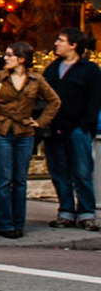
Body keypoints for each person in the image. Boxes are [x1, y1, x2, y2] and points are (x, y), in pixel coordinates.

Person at [0, 41, 61, 239]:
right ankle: (4, 224)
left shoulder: (35, 80)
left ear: (21, 59)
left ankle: (18, 223)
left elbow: (54, 101)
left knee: (20, 180)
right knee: (5, 178)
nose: (5, 58)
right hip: (1, 130)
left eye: (9, 55)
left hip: (25, 132)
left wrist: (40, 122)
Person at [44, 28, 101, 231]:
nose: (56, 43)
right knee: (59, 172)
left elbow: (95, 100)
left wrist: (86, 125)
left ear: (74, 45)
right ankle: (66, 211)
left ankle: (86, 213)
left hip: (78, 129)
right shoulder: (52, 69)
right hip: (54, 129)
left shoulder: (89, 70)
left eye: (61, 40)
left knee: (82, 172)